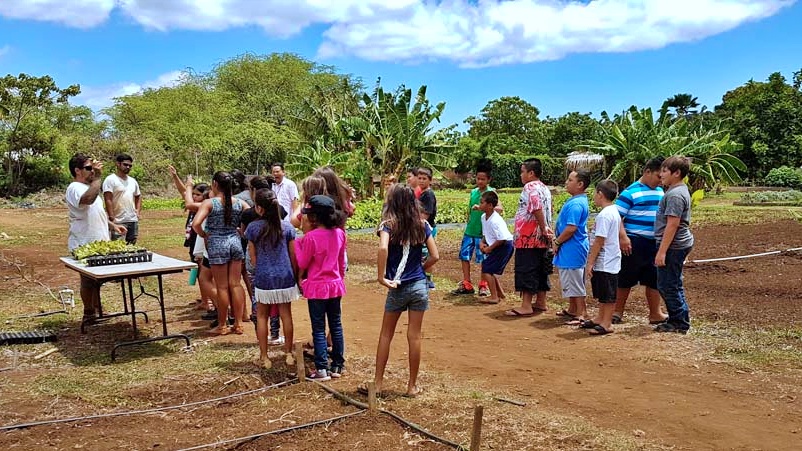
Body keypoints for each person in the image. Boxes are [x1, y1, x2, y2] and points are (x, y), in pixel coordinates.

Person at [365, 184, 439, 397]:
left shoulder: (388, 225)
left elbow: (382, 248)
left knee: (386, 334)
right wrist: (421, 268)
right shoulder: (422, 225)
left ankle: (378, 383)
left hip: (397, 286)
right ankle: (412, 386)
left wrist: (381, 277)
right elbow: (435, 256)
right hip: (419, 285)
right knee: (414, 336)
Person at [66, 153, 127, 323]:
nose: (92, 171)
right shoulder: (74, 188)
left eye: (93, 168)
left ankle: (97, 308)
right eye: (88, 168)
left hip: (98, 243)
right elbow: (88, 200)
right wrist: (98, 178)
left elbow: (96, 213)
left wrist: (112, 225)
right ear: (77, 170)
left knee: (96, 280)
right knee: (87, 280)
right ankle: (89, 313)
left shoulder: (90, 188)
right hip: (84, 243)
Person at [295, 195, 347, 381]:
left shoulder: (310, 237)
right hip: (335, 285)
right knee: (336, 325)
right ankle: (338, 365)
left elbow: (303, 262)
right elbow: (341, 262)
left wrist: (297, 244)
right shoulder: (339, 233)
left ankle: (321, 369)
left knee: (318, 328)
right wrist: (339, 278)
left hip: (317, 287)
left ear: (315, 217)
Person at [246, 188, 299, 369]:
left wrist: (260, 269)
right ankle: (288, 353)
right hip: (285, 276)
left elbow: (253, 258)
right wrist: (295, 275)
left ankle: (264, 356)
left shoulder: (253, 228)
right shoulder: (288, 228)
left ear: (259, 208)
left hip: (264, 276)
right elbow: (293, 256)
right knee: (286, 314)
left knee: (262, 316)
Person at [192, 171, 250, 335]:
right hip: (235, 243)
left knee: (222, 287)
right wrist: (242, 231)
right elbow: (252, 215)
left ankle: (223, 325)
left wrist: (204, 234)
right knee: (236, 284)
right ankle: (238, 323)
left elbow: (196, 223)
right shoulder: (240, 203)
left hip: (217, 244)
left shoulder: (209, 203)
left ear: (215, 184)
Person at [613, 157, 668, 325]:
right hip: (634, 242)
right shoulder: (630, 192)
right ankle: (617, 311)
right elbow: (616, 217)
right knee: (625, 278)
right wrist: (623, 237)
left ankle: (655, 313)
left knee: (653, 279)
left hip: (654, 243)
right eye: (658, 176)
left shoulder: (660, 192)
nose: (660, 180)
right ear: (647, 172)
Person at [241, 175, 288, 341]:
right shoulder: (280, 209)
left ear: (253, 191)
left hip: (256, 262)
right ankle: (275, 333)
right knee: (277, 300)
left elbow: (244, 234)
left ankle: (260, 334)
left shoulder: (248, 214)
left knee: (258, 299)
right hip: (277, 261)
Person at [507, 158, 553, 317]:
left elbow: (536, 207)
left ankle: (526, 305)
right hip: (541, 238)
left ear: (531, 173)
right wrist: (546, 229)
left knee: (526, 269)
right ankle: (541, 301)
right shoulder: (545, 188)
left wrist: (543, 227)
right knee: (541, 268)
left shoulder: (530, 187)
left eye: (522, 171)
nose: (521, 175)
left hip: (528, 237)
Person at [654, 156, 694, 334]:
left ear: (676, 173)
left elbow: (672, 224)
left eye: (664, 171)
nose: (661, 174)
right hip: (677, 244)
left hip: (674, 246)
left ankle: (679, 322)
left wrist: (662, 252)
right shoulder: (677, 191)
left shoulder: (675, 195)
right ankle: (678, 317)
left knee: (668, 285)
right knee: (672, 283)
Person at [168, 165, 215, 314]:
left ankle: (210, 300)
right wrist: (176, 177)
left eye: (197, 195)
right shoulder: (199, 203)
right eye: (193, 194)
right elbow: (184, 192)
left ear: (205, 196)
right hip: (193, 240)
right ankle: (205, 299)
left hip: (200, 240)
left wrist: (189, 185)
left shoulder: (203, 206)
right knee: (198, 270)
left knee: (204, 272)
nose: (194, 197)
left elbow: (187, 198)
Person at [452, 161, 502, 297]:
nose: (480, 181)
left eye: (483, 179)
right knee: (464, 255)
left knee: (483, 258)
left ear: (489, 179)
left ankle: (483, 285)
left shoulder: (491, 192)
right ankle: (467, 283)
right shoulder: (473, 192)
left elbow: (500, 208)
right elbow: (470, 210)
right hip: (470, 230)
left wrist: (482, 208)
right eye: (478, 178)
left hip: (483, 233)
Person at [581, 180, 621, 335]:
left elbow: (599, 241)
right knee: (603, 292)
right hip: (607, 260)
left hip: (606, 261)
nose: (593, 196)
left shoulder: (605, 215)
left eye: (594, 193)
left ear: (600, 194)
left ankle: (607, 323)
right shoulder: (612, 211)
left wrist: (590, 262)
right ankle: (600, 318)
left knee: (608, 294)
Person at [553, 170, 591, 323]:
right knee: (570, 278)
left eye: (570, 180)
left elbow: (571, 228)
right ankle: (573, 308)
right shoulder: (576, 201)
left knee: (575, 279)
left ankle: (581, 312)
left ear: (580, 184)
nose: (566, 183)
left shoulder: (576, 204)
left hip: (573, 247)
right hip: (571, 247)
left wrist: (557, 242)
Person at [478, 191, 514, 305]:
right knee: (489, 268)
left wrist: (489, 248)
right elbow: (485, 233)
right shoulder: (483, 217)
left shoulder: (495, 220)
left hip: (505, 245)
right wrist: (482, 243)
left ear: (490, 205)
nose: (480, 204)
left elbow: (502, 239)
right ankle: (500, 294)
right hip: (499, 245)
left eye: (482, 202)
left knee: (487, 269)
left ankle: (494, 297)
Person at [102, 153, 141, 244]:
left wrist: (138, 211)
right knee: (117, 246)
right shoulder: (110, 180)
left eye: (130, 166)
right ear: (118, 164)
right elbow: (108, 199)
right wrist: (111, 217)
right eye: (125, 164)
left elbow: (138, 196)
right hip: (118, 220)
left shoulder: (133, 181)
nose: (128, 167)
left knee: (132, 246)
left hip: (132, 220)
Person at [417, 167, 438, 289]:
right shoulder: (422, 193)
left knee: (426, 253)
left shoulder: (428, 195)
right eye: (419, 178)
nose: (421, 181)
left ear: (430, 180)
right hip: (424, 228)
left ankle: (428, 279)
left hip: (427, 228)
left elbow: (426, 214)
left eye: (424, 178)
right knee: (424, 253)